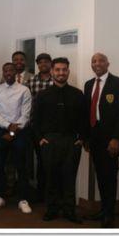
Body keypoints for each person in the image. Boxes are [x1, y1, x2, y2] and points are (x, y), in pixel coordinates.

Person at [32, 57, 87, 224]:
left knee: (69, 177)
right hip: (49, 141)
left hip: (72, 141)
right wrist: (40, 139)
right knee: (51, 177)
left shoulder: (78, 94)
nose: (61, 73)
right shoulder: (42, 95)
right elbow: (35, 120)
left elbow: (84, 119)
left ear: (68, 72)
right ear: (52, 72)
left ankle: (70, 210)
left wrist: (82, 139)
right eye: (58, 70)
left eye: (64, 70)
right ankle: (52, 209)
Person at [83, 53, 119, 228]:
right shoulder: (89, 85)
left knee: (109, 176)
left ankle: (109, 214)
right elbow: (87, 113)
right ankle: (103, 209)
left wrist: (116, 138)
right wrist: (86, 138)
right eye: (94, 61)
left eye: (101, 60)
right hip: (94, 137)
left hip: (110, 138)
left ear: (108, 63)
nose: (97, 64)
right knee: (100, 176)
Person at [0, 63, 32, 214]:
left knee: (21, 166)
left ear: (15, 72)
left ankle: (23, 199)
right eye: (5, 70)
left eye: (11, 70)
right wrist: (8, 127)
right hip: (2, 132)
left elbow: (25, 115)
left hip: (19, 133)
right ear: (3, 72)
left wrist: (13, 132)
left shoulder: (24, 90)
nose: (8, 73)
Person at [26, 53, 54, 202]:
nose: (43, 64)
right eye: (40, 62)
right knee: (36, 158)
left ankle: (49, 192)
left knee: (48, 160)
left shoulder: (55, 80)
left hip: (50, 127)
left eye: (46, 62)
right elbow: (26, 103)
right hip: (34, 126)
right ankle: (38, 191)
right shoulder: (31, 81)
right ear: (37, 64)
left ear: (50, 64)